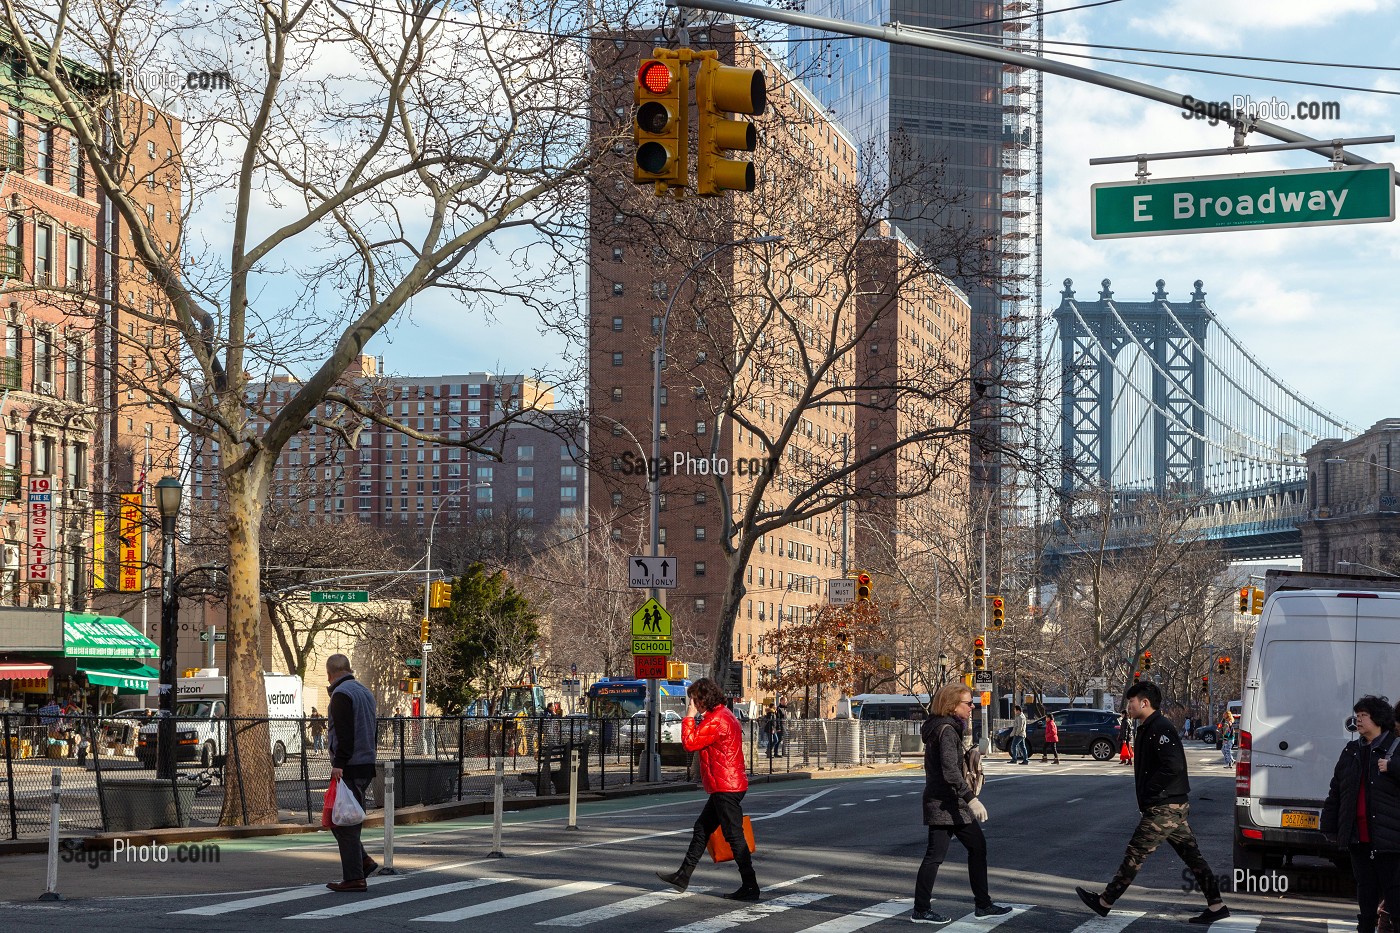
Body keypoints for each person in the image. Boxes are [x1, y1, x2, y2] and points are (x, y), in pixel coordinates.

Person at [1075, 681, 1230, 926]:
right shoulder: (1148, 727)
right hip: (1170, 805)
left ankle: (1105, 902)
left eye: (1132, 701)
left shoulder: (1160, 728)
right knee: (1193, 857)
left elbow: (1173, 765)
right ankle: (1217, 905)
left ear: (1144, 703)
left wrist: (1151, 790)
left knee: (1135, 853)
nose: (1129, 705)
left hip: (1164, 807)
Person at [912, 682, 1012, 925]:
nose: (972, 708)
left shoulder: (943, 728)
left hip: (950, 803)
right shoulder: (946, 730)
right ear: (952, 705)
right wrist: (972, 798)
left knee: (977, 848)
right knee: (936, 855)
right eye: (968, 703)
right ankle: (922, 910)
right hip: (945, 803)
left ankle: (983, 904)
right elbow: (950, 771)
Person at [656, 677, 759, 901]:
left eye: (694, 699)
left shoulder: (717, 720)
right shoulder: (723, 715)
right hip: (726, 783)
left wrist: (689, 718)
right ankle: (683, 876)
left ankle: (750, 886)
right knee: (702, 828)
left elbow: (690, 744)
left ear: (703, 699)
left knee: (734, 835)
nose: (691, 703)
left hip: (725, 786)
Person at [1321, 695, 1400, 933]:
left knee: (1395, 896)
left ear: (1378, 719)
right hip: (1359, 837)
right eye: (1356, 716)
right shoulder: (1351, 750)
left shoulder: (1395, 747)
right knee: (1365, 893)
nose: (1358, 720)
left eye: (1363, 715)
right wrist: (1329, 825)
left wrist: (1393, 767)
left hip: (1390, 839)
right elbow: (1337, 789)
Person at [325, 654, 379, 892]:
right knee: (346, 818)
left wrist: (339, 763)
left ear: (330, 674)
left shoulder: (341, 695)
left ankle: (355, 877)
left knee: (343, 823)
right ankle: (363, 861)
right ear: (348, 669)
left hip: (349, 766)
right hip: (366, 762)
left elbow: (345, 734)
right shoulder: (365, 692)